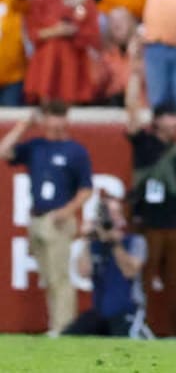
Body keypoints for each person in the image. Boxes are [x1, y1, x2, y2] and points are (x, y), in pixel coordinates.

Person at [0, 102, 93, 334]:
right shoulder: (36, 146)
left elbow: (86, 188)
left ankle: (63, 328)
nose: (57, 122)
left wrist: (68, 210)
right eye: (52, 116)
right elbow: (4, 151)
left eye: (61, 116)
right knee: (48, 276)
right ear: (44, 119)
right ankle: (56, 325)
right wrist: (23, 125)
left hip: (58, 219)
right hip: (37, 217)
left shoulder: (75, 151)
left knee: (60, 276)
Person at [124, 75, 176, 339]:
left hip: (175, 224)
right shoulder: (144, 143)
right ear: (157, 120)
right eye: (171, 117)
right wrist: (134, 75)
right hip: (147, 224)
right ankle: (138, 328)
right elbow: (131, 113)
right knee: (141, 282)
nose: (175, 122)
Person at [65, 196, 147, 337]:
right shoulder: (95, 245)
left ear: (122, 217)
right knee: (69, 337)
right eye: (108, 214)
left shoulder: (135, 241)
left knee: (121, 341)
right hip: (100, 313)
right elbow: (83, 272)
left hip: (127, 311)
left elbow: (130, 272)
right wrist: (87, 239)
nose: (112, 218)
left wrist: (115, 243)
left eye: (115, 213)